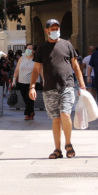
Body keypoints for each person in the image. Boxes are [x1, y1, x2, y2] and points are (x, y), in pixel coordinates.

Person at [29, 19, 86, 159]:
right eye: (52, 28)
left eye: (57, 28)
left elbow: (75, 66)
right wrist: (32, 86)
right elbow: (36, 69)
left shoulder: (67, 45)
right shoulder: (42, 48)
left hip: (67, 85)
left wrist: (82, 84)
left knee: (65, 114)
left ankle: (68, 144)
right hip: (49, 88)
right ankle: (57, 149)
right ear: (47, 31)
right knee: (56, 119)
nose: (55, 30)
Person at [12, 44, 40, 120]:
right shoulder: (21, 58)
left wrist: (44, 80)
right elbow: (17, 69)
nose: (28, 50)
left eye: (30, 49)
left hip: (33, 82)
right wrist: (14, 79)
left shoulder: (37, 59)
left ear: (34, 51)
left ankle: (27, 114)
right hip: (22, 81)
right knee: (25, 98)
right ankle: (31, 112)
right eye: (27, 48)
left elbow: (40, 70)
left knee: (30, 98)